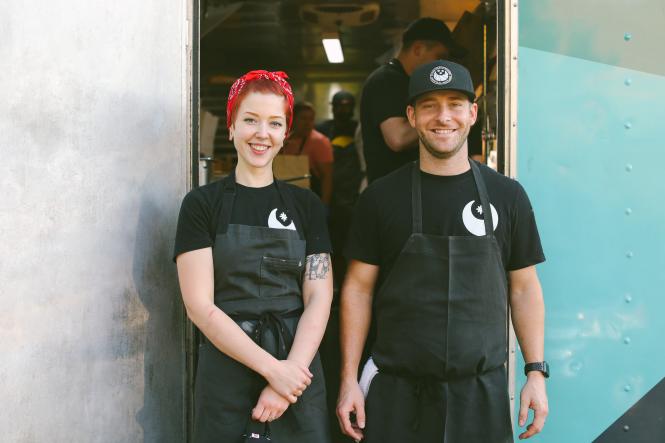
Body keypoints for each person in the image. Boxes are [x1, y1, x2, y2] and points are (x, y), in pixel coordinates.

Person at [336, 60, 549, 442]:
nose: (443, 116)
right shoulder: (380, 198)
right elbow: (357, 289)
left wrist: (535, 372)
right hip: (397, 395)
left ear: (472, 113)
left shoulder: (508, 195)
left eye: (454, 103)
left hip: (479, 396)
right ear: (412, 116)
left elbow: (524, 289)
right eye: (430, 105)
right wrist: (349, 379)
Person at [174, 70, 333, 443]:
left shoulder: (306, 206)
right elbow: (200, 306)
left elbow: (319, 296)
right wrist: (271, 370)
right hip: (227, 370)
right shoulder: (201, 205)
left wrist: (288, 377)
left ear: (284, 135)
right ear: (230, 127)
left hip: (299, 368)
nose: (262, 133)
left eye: (274, 123)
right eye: (250, 120)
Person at [361, 17, 467, 183]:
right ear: (418, 49)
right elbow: (398, 138)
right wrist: (447, 126)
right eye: (439, 56)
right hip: (392, 193)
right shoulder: (386, 80)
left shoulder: (411, 83)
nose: (443, 64)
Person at [282, 101, 334, 205]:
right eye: (303, 118)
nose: (308, 123)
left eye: (311, 119)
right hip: (284, 198)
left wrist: (324, 205)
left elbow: (327, 177)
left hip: (309, 201)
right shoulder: (284, 140)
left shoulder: (319, 142)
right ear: (292, 119)